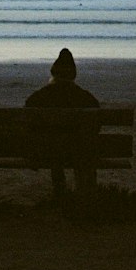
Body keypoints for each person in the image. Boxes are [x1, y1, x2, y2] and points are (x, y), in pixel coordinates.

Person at [24, 48, 99, 196]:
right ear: (73, 74)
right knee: (79, 141)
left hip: (46, 150)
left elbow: (28, 116)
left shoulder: (39, 97)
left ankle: (60, 187)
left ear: (53, 72)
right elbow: (96, 122)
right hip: (77, 150)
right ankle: (84, 191)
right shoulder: (85, 98)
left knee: (53, 139)